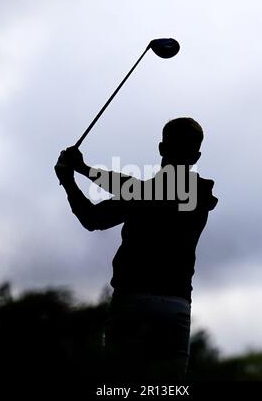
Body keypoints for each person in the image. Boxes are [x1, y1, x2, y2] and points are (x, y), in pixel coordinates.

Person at [54, 117, 218, 383]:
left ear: (161, 149)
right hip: (176, 305)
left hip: (132, 301)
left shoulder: (142, 194)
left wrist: (72, 178)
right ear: (196, 156)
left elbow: (92, 218)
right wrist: (83, 170)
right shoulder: (200, 195)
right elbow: (138, 188)